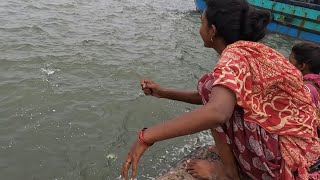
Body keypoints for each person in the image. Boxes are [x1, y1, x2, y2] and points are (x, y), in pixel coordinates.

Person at [120, 0, 320, 179]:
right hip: (300, 151)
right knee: (211, 85)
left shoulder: (233, 55)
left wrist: (146, 136)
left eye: (201, 22)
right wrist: (163, 92)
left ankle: (227, 172)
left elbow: (217, 111)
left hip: (280, 164)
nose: (200, 28)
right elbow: (221, 97)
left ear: (212, 30)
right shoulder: (255, 50)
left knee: (208, 83)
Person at [289, 42, 320, 138]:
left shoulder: (304, 89)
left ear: (302, 66)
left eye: (290, 59)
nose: (286, 62)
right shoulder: (316, 82)